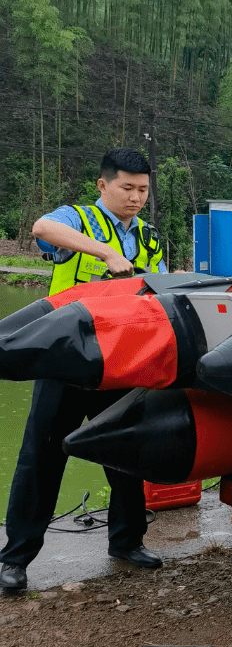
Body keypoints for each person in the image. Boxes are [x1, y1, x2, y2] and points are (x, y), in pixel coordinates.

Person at [0, 149, 163, 592]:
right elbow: (42, 228)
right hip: (65, 360)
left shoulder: (149, 237)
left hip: (120, 362)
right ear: (103, 185)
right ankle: (15, 559)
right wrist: (106, 252)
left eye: (143, 190)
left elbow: (158, 293)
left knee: (126, 453)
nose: (136, 197)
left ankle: (127, 542)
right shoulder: (77, 220)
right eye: (127, 188)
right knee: (42, 456)